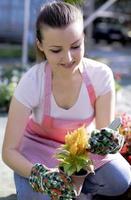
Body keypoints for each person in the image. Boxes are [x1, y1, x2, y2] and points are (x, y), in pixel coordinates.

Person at [2, 1, 131, 200]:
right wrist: (42, 176)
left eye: (75, 46)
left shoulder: (100, 75)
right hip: (37, 155)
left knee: (120, 180)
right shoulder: (32, 81)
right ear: (40, 45)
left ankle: (77, 191)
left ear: (83, 39)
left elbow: (103, 135)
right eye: (56, 50)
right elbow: (9, 152)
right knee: (36, 197)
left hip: (83, 152)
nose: (68, 58)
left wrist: (105, 143)